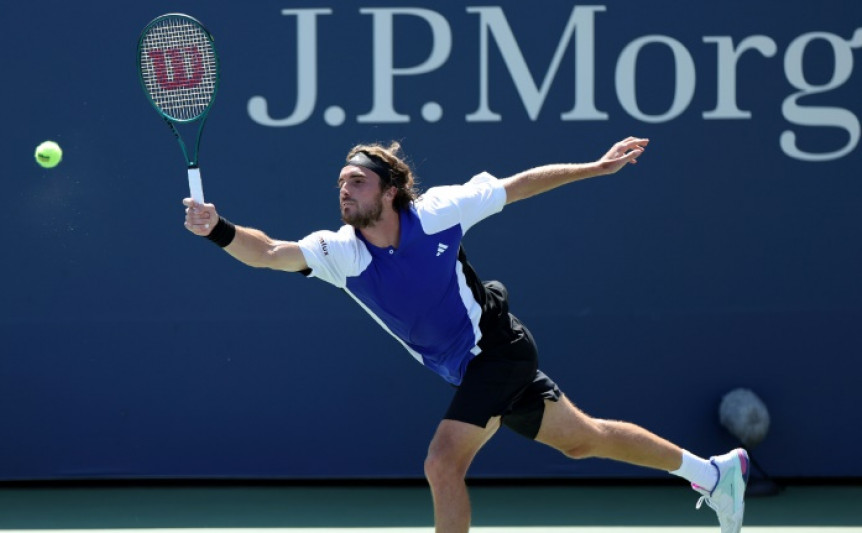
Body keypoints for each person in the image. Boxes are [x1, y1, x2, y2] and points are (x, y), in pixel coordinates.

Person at [182, 136, 749, 533]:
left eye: (356, 181)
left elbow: (520, 184)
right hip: (469, 367)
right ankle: (714, 473)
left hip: (498, 350)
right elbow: (270, 253)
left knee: (441, 462)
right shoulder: (341, 254)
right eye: (340, 184)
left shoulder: (439, 211)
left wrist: (593, 169)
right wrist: (218, 230)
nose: (344, 191)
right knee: (583, 439)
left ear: (390, 190)